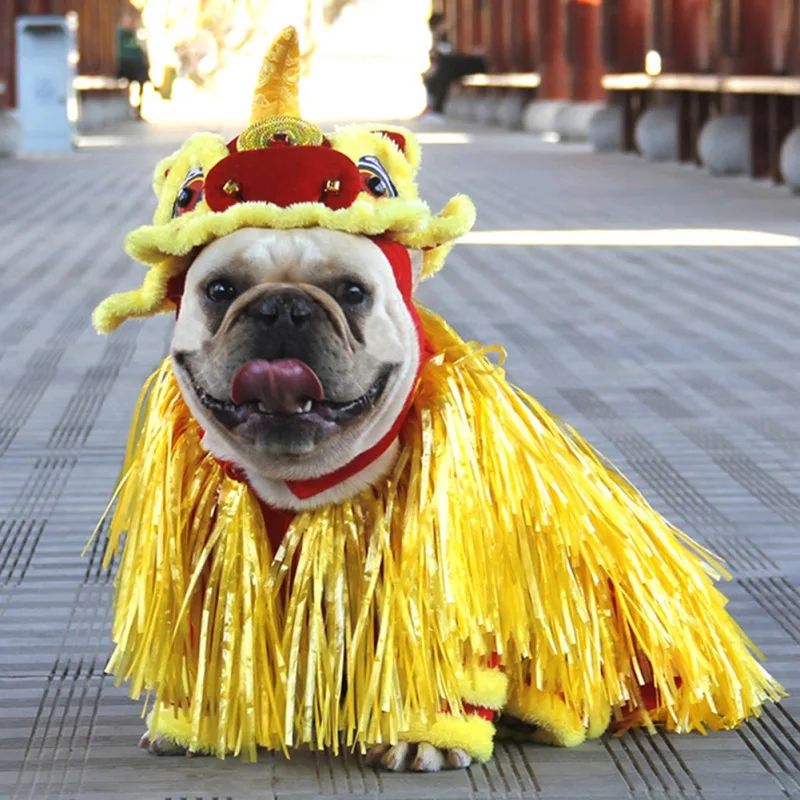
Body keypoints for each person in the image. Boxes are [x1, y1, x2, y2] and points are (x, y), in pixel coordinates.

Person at [421, 12, 487, 121]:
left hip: (464, 64)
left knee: (441, 74)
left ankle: (436, 110)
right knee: (437, 76)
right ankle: (433, 110)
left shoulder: (446, 37)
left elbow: (450, 56)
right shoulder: (438, 38)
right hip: (452, 66)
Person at [116, 8, 151, 119]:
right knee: (125, 82)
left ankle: (138, 108)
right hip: (125, 63)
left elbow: (143, 47)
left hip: (137, 63)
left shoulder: (137, 33)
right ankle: (128, 107)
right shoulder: (120, 33)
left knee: (142, 81)